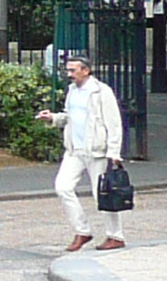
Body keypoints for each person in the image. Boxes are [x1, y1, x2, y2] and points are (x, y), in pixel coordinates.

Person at [38, 56, 126, 252]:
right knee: (63, 187)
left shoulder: (101, 92)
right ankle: (82, 231)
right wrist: (53, 118)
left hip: (96, 150)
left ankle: (115, 236)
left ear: (86, 71)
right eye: (68, 71)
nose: (69, 75)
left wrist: (114, 152)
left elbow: (114, 123)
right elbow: (70, 117)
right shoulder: (72, 91)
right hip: (74, 149)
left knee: (102, 194)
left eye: (73, 71)